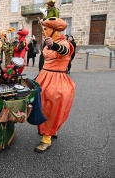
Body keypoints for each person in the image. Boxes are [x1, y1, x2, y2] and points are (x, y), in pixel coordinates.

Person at [35, 17, 75, 153]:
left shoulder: (65, 43)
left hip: (57, 80)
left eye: (46, 29)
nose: (44, 31)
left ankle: (47, 138)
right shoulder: (47, 43)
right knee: (41, 106)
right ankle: (51, 130)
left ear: (55, 30)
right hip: (44, 77)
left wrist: (54, 45)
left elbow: (64, 51)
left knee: (51, 108)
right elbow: (44, 62)